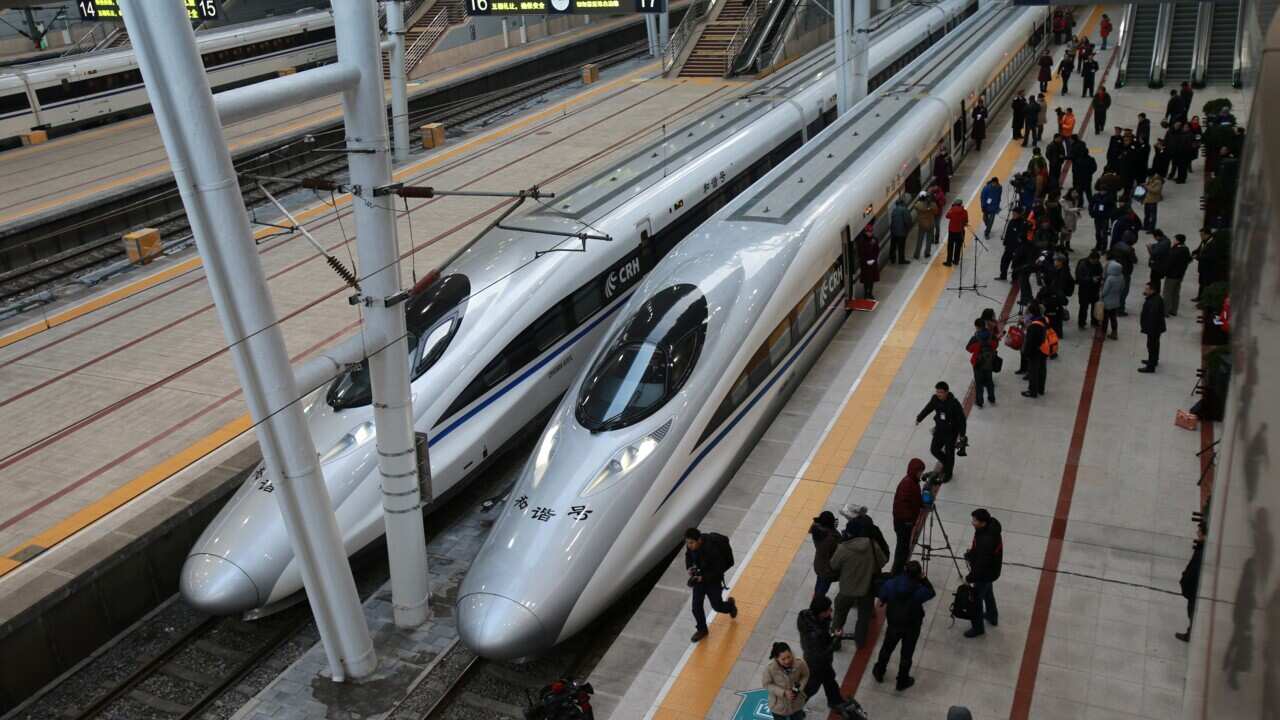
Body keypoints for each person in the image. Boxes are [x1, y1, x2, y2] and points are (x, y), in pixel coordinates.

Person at [871, 560, 935, 692]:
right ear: (918, 574)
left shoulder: (891, 584)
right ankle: (902, 680)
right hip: (912, 626)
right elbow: (931, 592)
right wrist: (924, 579)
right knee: (907, 654)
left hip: (894, 624)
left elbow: (882, 596)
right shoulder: (919, 590)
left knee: (886, 649)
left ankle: (879, 671)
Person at [829, 522, 887, 647]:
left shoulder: (843, 548)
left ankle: (835, 640)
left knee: (839, 614)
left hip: (847, 589)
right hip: (867, 589)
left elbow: (833, 565)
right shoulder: (872, 545)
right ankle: (860, 642)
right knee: (863, 618)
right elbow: (882, 561)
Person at [684, 528, 738, 642]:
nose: (689, 545)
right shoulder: (691, 547)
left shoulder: (712, 549)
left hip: (713, 580)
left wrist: (703, 577)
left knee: (717, 606)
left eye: (691, 543)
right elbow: (688, 556)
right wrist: (689, 567)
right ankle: (702, 629)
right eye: (687, 543)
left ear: (699, 540)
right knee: (696, 607)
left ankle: (730, 606)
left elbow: (719, 569)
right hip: (699, 579)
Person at [797, 595, 849, 710]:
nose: (831, 611)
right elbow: (824, 651)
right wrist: (836, 638)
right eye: (828, 609)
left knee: (829, 679)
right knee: (811, 687)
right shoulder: (816, 635)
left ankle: (835, 701)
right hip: (817, 663)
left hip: (814, 657)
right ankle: (795, 708)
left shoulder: (805, 615)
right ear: (821, 613)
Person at [914, 381, 966, 481]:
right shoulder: (935, 399)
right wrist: (919, 418)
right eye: (937, 392)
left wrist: (962, 435)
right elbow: (928, 408)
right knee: (934, 449)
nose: (938, 394)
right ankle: (947, 463)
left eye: (941, 392)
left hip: (951, 432)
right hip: (939, 429)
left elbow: (962, 420)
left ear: (946, 392)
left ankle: (948, 473)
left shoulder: (954, 404)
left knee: (950, 453)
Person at [963, 509, 1003, 638]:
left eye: (975, 521)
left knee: (975, 601)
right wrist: (973, 552)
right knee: (988, 592)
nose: (972, 522)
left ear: (983, 522)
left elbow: (981, 564)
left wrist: (969, 578)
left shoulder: (986, 540)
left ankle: (978, 628)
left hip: (984, 574)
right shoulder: (991, 528)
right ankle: (992, 615)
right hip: (991, 571)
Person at [891, 458, 926, 576]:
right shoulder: (908, 484)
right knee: (902, 547)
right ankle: (896, 571)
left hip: (905, 522)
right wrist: (909, 521)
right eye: (920, 471)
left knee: (904, 546)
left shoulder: (912, 482)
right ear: (914, 471)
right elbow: (902, 505)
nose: (921, 474)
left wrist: (921, 503)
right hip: (903, 523)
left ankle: (899, 568)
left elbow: (914, 499)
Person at [763, 642, 809, 720]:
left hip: (796, 703)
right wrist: (783, 692)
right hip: (778, 706)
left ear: (791, 653)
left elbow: (805, 675)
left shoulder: (800, 663)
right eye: (783, 659)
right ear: (777, 658)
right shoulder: (770, 669)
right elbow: (767, 684)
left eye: (789, 657)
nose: (787, 661)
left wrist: (799, 688)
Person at [1176, 526, 1205, 642]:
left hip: (1194, 588)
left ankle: (1191, 633)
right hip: (1193, 587)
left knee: (1192, 611)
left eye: (1199, 531)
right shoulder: (1201, 548)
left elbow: (1193, 569)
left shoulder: (1201, 551)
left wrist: (1185, 581)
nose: (1197, 533)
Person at [967, 317, 999, 407]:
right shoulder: (991, 335)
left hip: (978, 363)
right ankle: (991, 398)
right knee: (989, 381)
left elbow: (969, 349)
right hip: (989, 362)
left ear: (977, 327)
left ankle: (979, 401)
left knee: (979, 383)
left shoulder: (975, 338)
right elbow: (996, 345)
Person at [809, 511, 840, 597]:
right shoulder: (831, 539)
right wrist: (834, 530)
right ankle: (817, 601)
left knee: (820, 581)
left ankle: (816, 595)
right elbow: (839, 547)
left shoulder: (817, 531)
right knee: (823, 586)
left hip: (819, 564)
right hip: (827, 569)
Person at [1138, 282, 1166, 373]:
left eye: (1147, 289)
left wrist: (1148, 329)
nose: (1145, 290)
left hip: (1153, 328)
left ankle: (1151, 366)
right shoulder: (1155, 298)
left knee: (1151, 346)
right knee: (1154, 345)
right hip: (1155, 328)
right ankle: (1153, 361)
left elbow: (1152, 317)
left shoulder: (1154, 302)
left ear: (1152, 290)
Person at [1022, 303, 1048, 397]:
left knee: (1033, 371)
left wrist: (1026, 352)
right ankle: (1041, 389)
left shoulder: (1034, 326)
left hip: (1035, 350)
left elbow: (1030, 342)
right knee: (1042, 369)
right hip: (1044, 348)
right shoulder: (1044, 319)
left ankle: (1032, 391)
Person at [1163, 233, 1192, 316]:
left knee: (1167, 293)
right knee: (1175, 293)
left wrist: (1164, 271)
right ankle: (1173, 310)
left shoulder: (1176, 250)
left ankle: (1165, 311)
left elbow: (1169, 262)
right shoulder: (1186, 249)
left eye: (1174, 239)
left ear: (1178, 241)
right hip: (1180, 275)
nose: (1173, 241)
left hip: (1172, 275)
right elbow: (1189, 259)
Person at [1075, 251, 1103, 330]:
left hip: (1094, 289)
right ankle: (1081, 323)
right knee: (1083, 307)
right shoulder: (1082, 264)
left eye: (1097, 261)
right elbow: (1079, 278)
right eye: (1094, 261)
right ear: (1090, 258)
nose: (1095, 262)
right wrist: (1091, 279)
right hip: (1084, 289)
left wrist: (1099, 279)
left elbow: (1100, 273)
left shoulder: (1098, 264)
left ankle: (1094, 321)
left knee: (1094, 307)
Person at [1100, 253, 1125, 339]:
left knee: (1105, 319)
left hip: (1107, 302)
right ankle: (1114, 333)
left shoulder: (1110, 278)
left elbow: (1105, 291)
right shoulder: (1121, 277)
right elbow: (1122, 288)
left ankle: (1102, 334)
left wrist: (1101, 295)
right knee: (1113, 318)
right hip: (1116, 301)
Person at [998, 207, 1027, 280]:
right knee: (1004, 261)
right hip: (1009, 246)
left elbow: (1022, 237)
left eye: (1015, 214)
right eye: (1013, 213)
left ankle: (1014, 279)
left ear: (1020, 214)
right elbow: (1007, 233)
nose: (1013, 215)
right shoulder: (1011, 221)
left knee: (1015, 264)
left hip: (1016, 248)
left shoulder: (1022, 224)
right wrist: (1005, 243)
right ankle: (1003, 275)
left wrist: (1018, 248)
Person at [855, 222, 880, 300]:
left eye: (871, 232)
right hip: (865, 265)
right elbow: (860, 253)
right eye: (868, 232)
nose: (870, 233)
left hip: (873, 263)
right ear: (865, 232)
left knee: (872, 280)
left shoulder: (874, 239)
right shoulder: (861, 241)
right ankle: (866, 293)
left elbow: (877, 250)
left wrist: (874, 259)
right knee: (866, 280)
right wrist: (866, 261)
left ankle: (870, 293)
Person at [912, 191, 937, 259]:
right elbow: (936, 212)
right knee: (929, 240)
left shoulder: (919, 205)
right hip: (930, 224)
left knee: (919, 240)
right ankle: (927, 253)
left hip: (922, 225)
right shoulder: (933, 205)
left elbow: (915, 206)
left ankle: (917, 254)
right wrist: (930, 209)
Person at [945, 199, 968, 267]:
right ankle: (956, 261)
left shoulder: (952, 210)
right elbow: (966, 220)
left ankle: (949, 262)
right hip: (960, 231)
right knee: (958, 247)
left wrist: (951, 208)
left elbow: (947, 216)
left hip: (952, 231)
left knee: (950, 247)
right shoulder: (964, 211)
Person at [890, 196, 912, 265]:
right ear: (902, 203)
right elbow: (907, 221)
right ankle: (901, 260)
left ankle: (892, 259)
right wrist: (908, 228)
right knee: (901, 247)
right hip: (901, 232)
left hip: (894, 232)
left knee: (893, 246)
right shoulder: (904, 210)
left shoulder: (894, 210)